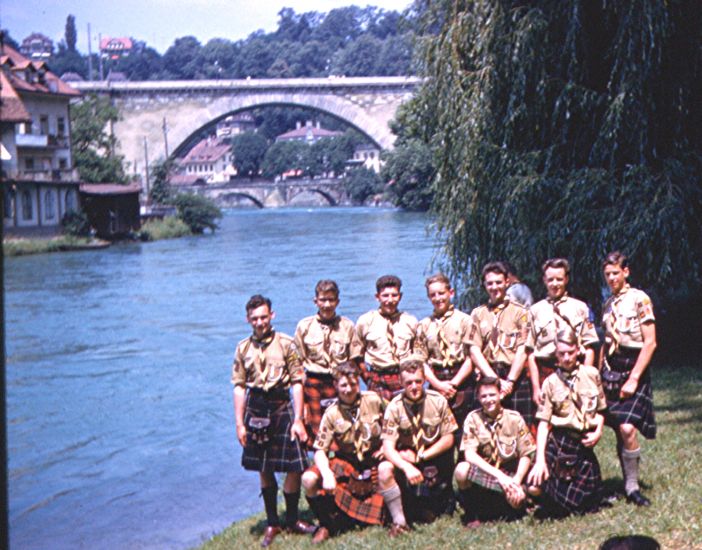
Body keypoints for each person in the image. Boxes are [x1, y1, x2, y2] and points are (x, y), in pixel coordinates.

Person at [231, 295, 315, 547]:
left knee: (295, 464)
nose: (259, 323)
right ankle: (272, 522)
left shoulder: (287, 344)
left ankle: (292, 519)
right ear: (248, 319)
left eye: (263, 317)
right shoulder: (242, 348)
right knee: (264, 467)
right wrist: (239, 423)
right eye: (254, 318)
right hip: (256, 406)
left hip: (282, 405)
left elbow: (298, 383)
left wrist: (298, 419)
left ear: (272, 316)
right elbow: (238, 387)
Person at [301, 361, 388, 543]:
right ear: (335, 386)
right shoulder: (331, 413)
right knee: (308, 480)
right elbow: (319, 450)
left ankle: (399, 516)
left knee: (390, 469)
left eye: (353, 384)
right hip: (347, 461)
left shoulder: (374, 400)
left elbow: (393, 421)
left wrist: (385, 446)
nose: (348, 389)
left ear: (359, 383)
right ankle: (326, 524)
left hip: (373, 459)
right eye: (343, 385)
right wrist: (326, 475)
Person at [527, 329, 607, 517]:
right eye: (562, 354)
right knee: (534, 487)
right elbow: (543, 424)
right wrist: (540, 460)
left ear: (578, 350)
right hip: (559, 442)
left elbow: (602, 410)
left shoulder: (592, 375)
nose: (567, 358)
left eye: (570, 352)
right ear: (556, 355)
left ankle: (563, 500)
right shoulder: (550, 383)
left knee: (587, 502)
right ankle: (544, 497)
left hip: (582, 443)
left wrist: (598, 432)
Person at [600, 251, 657, 506]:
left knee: (627, 427)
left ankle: (632, 487)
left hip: (633, 366)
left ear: (626, 272)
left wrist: (634, 378)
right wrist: (598, 369)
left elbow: (651, 343)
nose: (612, 278)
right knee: (615, 426)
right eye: (607, 275)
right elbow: (606, 341)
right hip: (611, 367)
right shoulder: (608, 303)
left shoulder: (639, 299)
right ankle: (615, 482)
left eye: (615, 273)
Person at [380, 357, 458, 528]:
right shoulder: (394, 407)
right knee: (384, 468)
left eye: (418, 381)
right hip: (408, 463)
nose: (414, 387)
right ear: (400, 382)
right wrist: (406, 466)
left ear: (424, 380)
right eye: (408, 383)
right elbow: (387, 448)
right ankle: (399, 521)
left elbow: (448, 438)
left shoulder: (438, 401)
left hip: (433, 458)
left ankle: (430, 505)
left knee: (437, 510)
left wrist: (421, 456)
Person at [454, 376, 537, 525]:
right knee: (461, 470)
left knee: (518, 500)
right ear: (478, 398)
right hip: (489, 475)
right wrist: (498, 476)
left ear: (500, 394)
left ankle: (515, 503)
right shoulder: (473, 419)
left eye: (492, 394)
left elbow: (526, 454)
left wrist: (516, 481)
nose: (488, 399)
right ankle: (472, 513)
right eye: (484, 396)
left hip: (510, 474)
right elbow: (469, 455)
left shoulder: (514, 418)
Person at [295, 280, 362, 444]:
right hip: (313, 383)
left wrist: (354, 391)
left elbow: (355, 361)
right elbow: (297, 366)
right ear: (315, 301)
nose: (327, 304)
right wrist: (302, 402)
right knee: (316, 433)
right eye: (323, 300)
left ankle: (342, 465)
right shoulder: (304, 327)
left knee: (343, 428)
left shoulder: (347, 326)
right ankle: (317, 466)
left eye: (331, 300)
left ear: (337, 301)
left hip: (340, 383)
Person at [469, 261, 534, 425]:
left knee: (519, 427)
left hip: (514, 378)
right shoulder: (478, 314)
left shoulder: (521, 313)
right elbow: (474, 349)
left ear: (507, 282)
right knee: (486, 427)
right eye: (490, 283)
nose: (494, 287)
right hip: (488, 374)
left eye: (498, 282)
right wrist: (493, 378)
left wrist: (510, 381)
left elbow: (523, 349)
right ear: (484, 285)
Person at [528, 258, 600, 405]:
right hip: (545, 369)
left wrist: (585, 377)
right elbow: (530, 352)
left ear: (566, 279)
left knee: (576, 420)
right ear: (544, 280)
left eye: (559, 279)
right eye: (550, 280)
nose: (555, 284)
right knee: (545, 420)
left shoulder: (580, 308)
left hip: (573, 368)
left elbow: (590, 346)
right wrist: (536, 387)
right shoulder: (535, 310)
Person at [415, 273, 475, 429]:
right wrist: (438, 385)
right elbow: (421, 361)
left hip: (462, 377)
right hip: (437, 378)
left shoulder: (465, 320)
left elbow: (472, 357)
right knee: (438, 426)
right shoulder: (424, 325)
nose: (437, 298)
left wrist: (454, 383)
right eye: (432, 295)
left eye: (441, 293)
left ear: (451, 292)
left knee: (465, 426)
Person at [356, 275, 418, 401]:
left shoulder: (410, 321)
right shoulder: (366, 321)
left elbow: (417, 353)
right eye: (385, 296)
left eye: (394, 295)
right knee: (379, 417)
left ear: (400, 296)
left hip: (404, 375)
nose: (390, 300)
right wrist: (368, 378)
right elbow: (357, 356)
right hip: (377, 377)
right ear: (377, 297)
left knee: (406, 417)